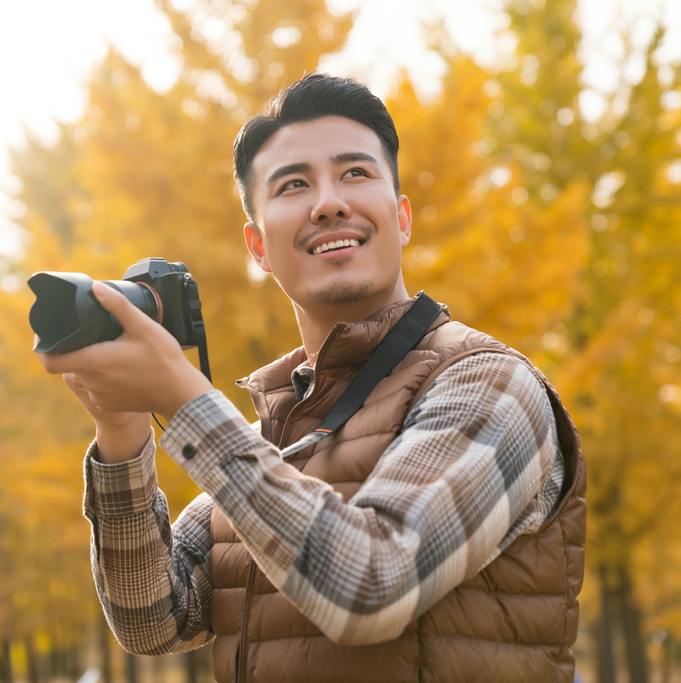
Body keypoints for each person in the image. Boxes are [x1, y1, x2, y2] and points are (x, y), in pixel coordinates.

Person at [36, 74, 586, 683]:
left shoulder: (488, 384)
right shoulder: (270, 438)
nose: (328, 202)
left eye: (355, 173)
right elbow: (153, 619)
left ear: (401, 217)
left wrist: (183, 397)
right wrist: (123, 431)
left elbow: (374, 584)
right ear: (258, 247)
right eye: (294, 184)